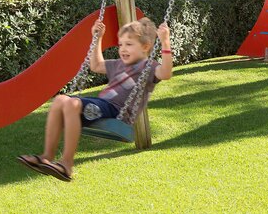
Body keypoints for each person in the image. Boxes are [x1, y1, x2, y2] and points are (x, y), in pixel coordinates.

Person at [18, 17, 172, 181]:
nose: (123, 49)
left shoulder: (149, 67)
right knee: (60, 100)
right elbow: (96, 65)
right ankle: (46, 156)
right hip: (101, 105)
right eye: (120, 44)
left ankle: (67, 164)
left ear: (145, 47)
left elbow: (166, 73)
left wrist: (165, 42)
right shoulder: (118, 64)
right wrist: (97, 38)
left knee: (72, 103)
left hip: (115, 111)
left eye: (129, 44)